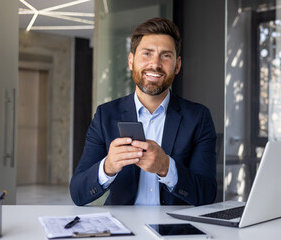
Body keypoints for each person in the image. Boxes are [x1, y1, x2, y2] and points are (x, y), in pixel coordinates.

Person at [70, 17, 217, 206]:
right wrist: (107, 167)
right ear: (131, 61)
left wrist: (166, 167)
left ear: (177, 65)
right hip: (123, 231)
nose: (155, 64)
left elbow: (207, 194)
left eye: (165, 55)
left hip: (174, 232)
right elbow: (78, 193)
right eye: (147, 54)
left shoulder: (198, 117)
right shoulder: (105, 115)